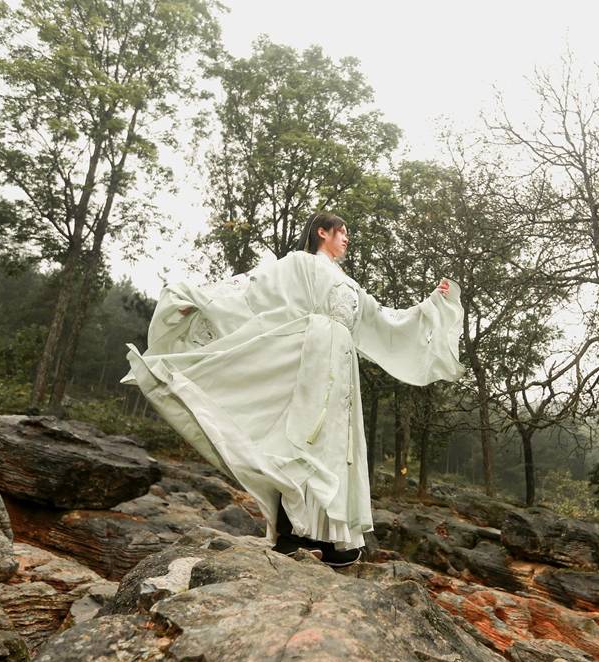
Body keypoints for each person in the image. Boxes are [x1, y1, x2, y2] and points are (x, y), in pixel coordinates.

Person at [120, 211, 465, 567]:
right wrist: (203, 298)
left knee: (335, 447)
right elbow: (255, 288)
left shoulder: (348, 283)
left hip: (341, 365)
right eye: (341, 231)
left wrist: (431, 306)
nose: (346, 238)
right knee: (304, 439)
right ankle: (290, 533)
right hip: (311, 356)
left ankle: (329, 539)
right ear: (322, 233)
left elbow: (386, 321)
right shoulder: (301, 264)